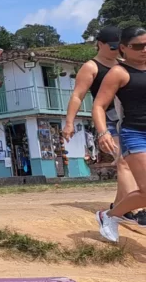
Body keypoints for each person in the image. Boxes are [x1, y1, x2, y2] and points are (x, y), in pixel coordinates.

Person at [62, 26, 138, 217]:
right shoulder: (91, 67)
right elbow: (78, 96)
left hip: (130, 119)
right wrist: (69, 122)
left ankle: (120, 206)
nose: (115, 50)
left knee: (128, 162)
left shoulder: (123, 64)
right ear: (100, 44)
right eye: (111, 47)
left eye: (118, 47)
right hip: (109, 120)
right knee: (124, 161)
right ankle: (134, 210)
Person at [93, 26, 146, 241]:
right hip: (135, 134)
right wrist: (103, 132)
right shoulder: (119, 72)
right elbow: (98, 105)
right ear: (123, 48)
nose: (144, 50)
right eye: (138, 46)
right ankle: (110, 215)